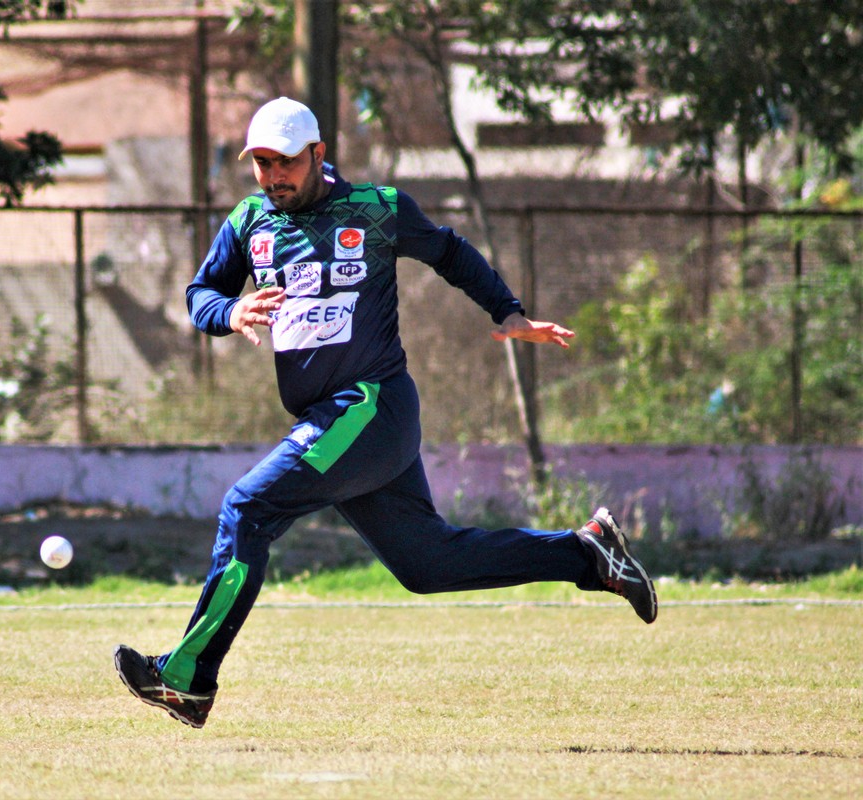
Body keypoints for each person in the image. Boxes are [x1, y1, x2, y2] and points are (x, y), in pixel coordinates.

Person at [114, 97, 656, 729]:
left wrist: (508, 312)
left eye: (285, 162)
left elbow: (449, 252)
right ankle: (587, 555)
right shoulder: (249, 220)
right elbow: (200, 294)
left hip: (371, 406)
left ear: (318, 153)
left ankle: (188, 678)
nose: (273, 176)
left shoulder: (377, 209)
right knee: (428, 565)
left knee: (247, 508)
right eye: (261, 163)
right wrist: (230, 311)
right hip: (333, 421)